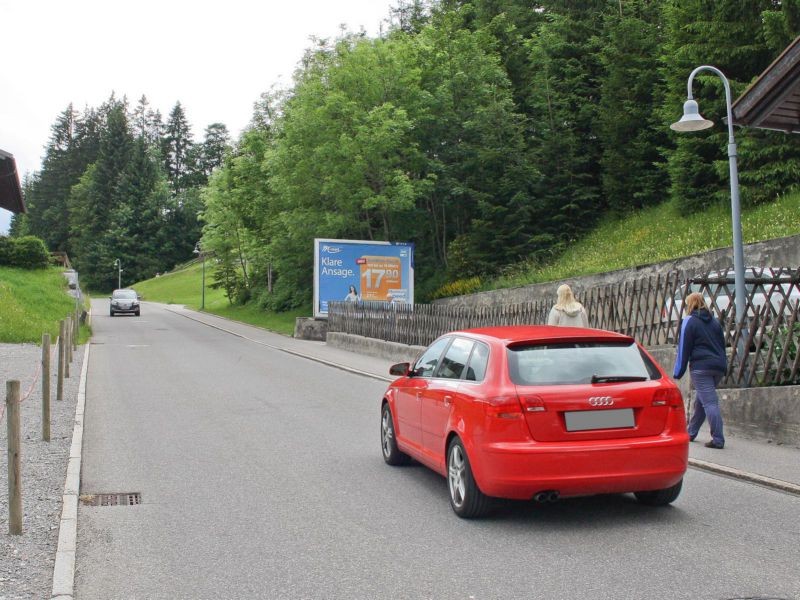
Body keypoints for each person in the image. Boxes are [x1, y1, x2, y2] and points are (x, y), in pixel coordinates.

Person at [673, 292, 727, 449]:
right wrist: (724, 367)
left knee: (710, 402)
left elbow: (684, 347)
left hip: (701, 368)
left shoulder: (689, 321)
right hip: (718, 367)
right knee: (701, 401)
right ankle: (691, 432)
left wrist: (679, 371)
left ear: (689, 304)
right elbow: (722, 346)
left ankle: (718, 439)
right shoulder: (715, 322)